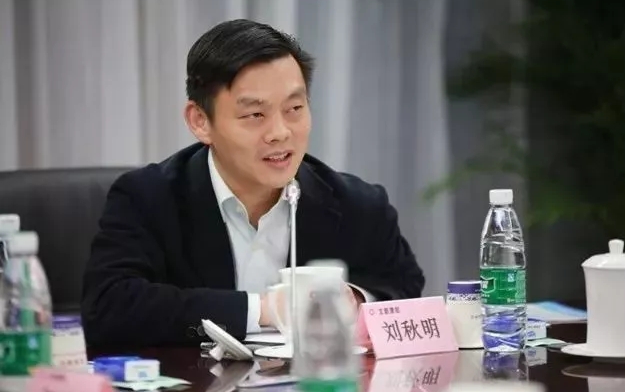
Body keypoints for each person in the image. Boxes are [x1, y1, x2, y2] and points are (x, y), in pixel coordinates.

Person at [81, 19, 425, 348]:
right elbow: (109, 307)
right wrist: (264, 309)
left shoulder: (359, 205)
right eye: (255, 115)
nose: (280, 132)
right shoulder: (146, 198)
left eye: (294, 108)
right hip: (201, 389)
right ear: (200, 121)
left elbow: (404, 288)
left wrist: (355, 300)